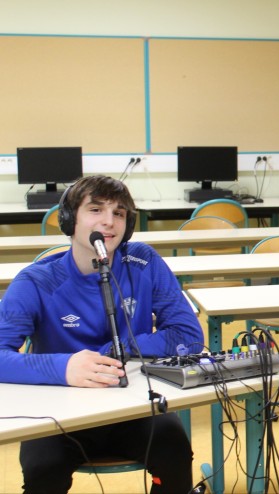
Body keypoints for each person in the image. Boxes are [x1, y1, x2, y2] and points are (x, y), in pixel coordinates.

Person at [0, 175, 204, 493]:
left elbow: (188, 335)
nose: (109, 222)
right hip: (58, 413)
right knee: (44, 470)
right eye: (95, 210)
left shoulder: (143, 262)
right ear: (69, 219)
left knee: (174, 453)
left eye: (119, 213)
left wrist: (117, 348)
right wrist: (63, 368)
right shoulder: (36, 281)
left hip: (133, 405)